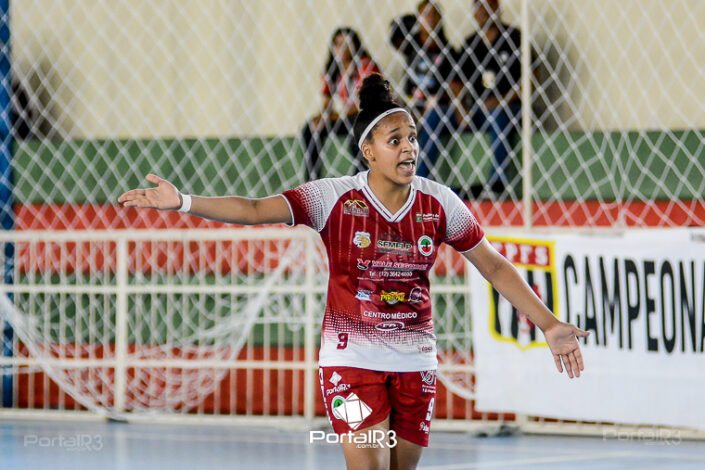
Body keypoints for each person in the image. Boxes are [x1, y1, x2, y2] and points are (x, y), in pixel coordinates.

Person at [118, 74, 588, 470]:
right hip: (351, 360)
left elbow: (495, 266)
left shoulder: (440, 202)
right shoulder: (332, 197)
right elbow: (255, 209)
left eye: (412, 137)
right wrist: (183, 201)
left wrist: (549, 324)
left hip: (415, 363)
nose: (409, 148)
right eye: (395, 140)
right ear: (368, 151)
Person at [453, 0, 524, 198]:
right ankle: (424, 182)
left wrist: (502, 101)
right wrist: (460, 108)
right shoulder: (470, 44)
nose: (484, 11)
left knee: (498, 114)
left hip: (509, 108)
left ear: (497, 8)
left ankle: (497, 184)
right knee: (438, 116)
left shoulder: (514, 37)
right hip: (477, 110)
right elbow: (456, 83)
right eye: (479, 6)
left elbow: (531, 79)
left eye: (488, 5)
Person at [301, 27, 380, 180]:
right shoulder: (333, 70)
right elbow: (327, 102)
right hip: (345, 118)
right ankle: (311, 180)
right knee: (310, 128)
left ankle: (361, 180)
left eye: (346, 43)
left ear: (355, 45)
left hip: (367, 117)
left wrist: (336, 116)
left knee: (356, 135)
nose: (342, 48)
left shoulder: (366, 65)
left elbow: (363, 104)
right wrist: (322, 117)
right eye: (337, 44)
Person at [391, 1, 457, 183]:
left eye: (434, 15)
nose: (430, 19)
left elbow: (455, 88)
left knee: (432, 117)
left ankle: (418, 179)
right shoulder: (411, 47)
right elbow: (393, 36)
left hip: (439, 107)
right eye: (425, 15)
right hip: (413, 105)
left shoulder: (449, 50)